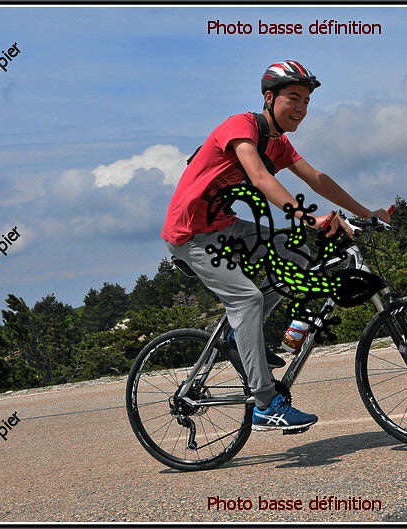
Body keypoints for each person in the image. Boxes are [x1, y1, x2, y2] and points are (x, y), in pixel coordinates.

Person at [161, 60, 391, 432]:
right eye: (293, 98)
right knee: (248, 300)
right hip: (189, 234)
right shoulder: (241, 127)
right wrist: (310, 219)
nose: (301, 108)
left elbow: (317, 179)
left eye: (306, 101)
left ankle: (238, 336)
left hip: (222, 226)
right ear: (269, 98)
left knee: (293, 252)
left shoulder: (278, 143)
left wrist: (367, 213)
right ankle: (266, 405)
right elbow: (260, 178)